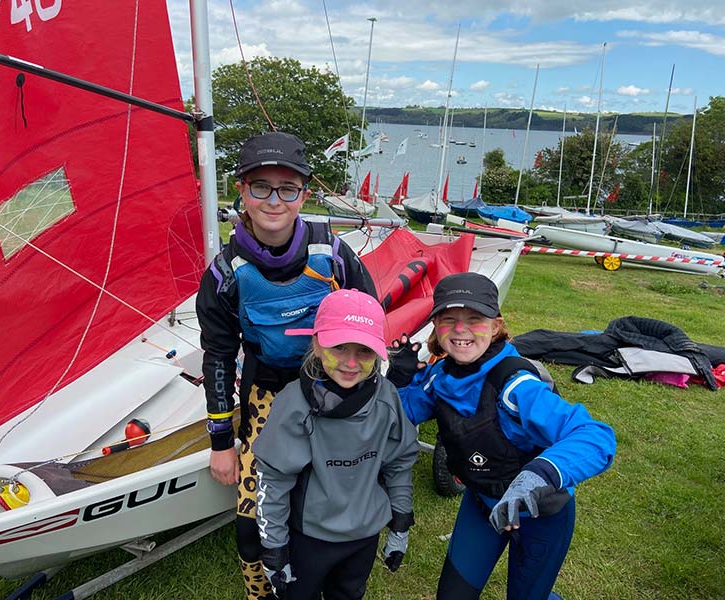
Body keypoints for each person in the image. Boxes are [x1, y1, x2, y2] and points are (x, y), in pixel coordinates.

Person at [195, 131, 377, 600]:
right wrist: (220, 443)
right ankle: (265, 593)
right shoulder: (223, 273)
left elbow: (370, 325)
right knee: (252, 527)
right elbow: (217, 356)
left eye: (287, 188)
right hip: (268, 398)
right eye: (261, 186)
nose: (274, 200)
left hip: (336, 392)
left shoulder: (333, 255)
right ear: (241, 190)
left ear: (305, 194)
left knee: (333, 504)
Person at [388, 272, 616, 600]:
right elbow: (402, 413)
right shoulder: (440, 375)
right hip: (483, 504)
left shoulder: (516, 386)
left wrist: (542, 473)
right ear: (436, 327)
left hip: (540, 516)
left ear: (496, 326)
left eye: (475, 319)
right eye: (449, 319)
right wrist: (399, 377)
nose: (461, 330)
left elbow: (596, 435)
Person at [252, 289, 419, 600]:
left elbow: (399, 461)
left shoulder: (386, 398)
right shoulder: (294, 404)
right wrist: (274, 547)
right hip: (309, 538)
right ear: (316, 344)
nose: (351, 362)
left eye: (365, 351)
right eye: (339, 347)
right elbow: (273, 481)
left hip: (363, 536)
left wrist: (400, 522)